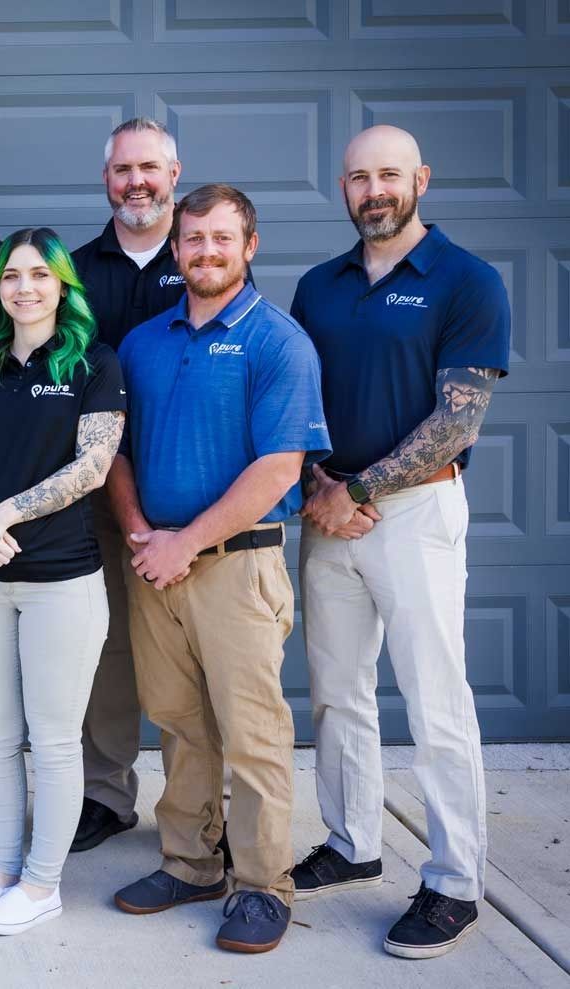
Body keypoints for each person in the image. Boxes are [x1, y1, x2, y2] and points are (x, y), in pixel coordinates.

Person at [289, 124, 508, 960]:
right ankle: (352, 842)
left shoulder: (466, 280)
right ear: (342, 188)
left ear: (421, 177)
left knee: (433, 696)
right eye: (357, 177)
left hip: (413, 512)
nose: (373, 189)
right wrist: (319, 485)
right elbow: (303, 402)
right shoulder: (319, 285)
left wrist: (359, 489)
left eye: (388, 174)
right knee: (339, 691)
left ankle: (456, 881)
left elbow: (459, 418)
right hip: (328, 510)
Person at [107, 184, 330, 954]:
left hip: (237, 567)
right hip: (155, 565)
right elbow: (118, 452)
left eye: (221, 239)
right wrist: (141, 533)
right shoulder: (143, 342)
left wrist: (184, 542)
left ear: (250, 246)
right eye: (193, 239)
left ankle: (264, 885)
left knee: (253, 731)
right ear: (176, 248)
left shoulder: (278, 341)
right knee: (177, 723)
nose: (205, 252)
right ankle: (191, 862)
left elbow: (278, 470)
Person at [0, 228, 124, 935]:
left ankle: (43, 884)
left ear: (64, 286)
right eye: (11, 276)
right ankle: (5, 870)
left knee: (52, 738)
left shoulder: (94, 364)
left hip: (60, 580)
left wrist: (1, 514)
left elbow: (92, 467)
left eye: (41, 276)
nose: (24, 287)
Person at [67, 118, 188, 853]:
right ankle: (106, 793)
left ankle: (198, 800)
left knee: (185, 654)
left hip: (184, 496)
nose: (135, 181)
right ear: (106, 178)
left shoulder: (204, 254)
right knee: (104, 648)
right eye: (122, 169)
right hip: (98, 492)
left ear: (174, 173)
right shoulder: (76, 270)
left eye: (149, 167)